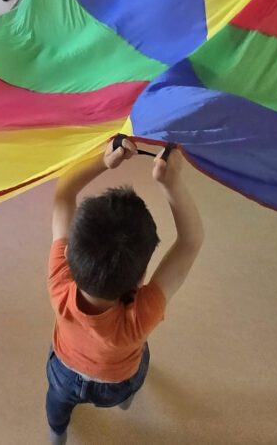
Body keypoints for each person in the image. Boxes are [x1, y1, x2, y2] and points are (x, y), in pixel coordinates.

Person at [45, 137, 204, 444]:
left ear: (68, 255)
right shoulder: (140, 316)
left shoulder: (58, 281)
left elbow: (64, 194)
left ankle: (56, 433)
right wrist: (169, 182)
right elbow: (190, 242)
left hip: (64, 369)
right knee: (139, 365)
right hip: (116, 381)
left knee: (57, 402)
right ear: (140, 279)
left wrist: (105, 160)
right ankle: (126, 401)